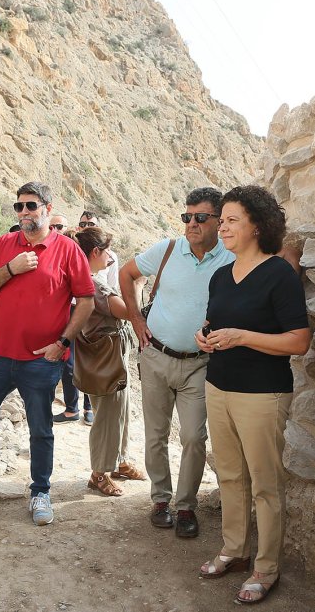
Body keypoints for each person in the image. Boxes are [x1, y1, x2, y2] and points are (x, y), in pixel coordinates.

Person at [0, 182, 94, 526]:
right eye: (19, 206)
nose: (24, 212)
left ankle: (40, 491)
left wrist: (64, 343)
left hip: (41, 360)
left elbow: (86, 300)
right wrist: (11, 268)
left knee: (40, 429)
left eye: (31, 206)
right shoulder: (3, 246)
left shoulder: (68, 250)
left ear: (47, 208)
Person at [193, 185, 310, 605]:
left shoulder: (279, 274)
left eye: (230, 220)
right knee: (229, 475)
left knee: (265, 484)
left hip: (262, 394)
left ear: (257, 226)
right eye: (220, 219)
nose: (221, 226)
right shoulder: (221, 274)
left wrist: (243, 337)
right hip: (218, 386)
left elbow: (298, 341)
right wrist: (204, 337)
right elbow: (214, 320)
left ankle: (266, 567)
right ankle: (234, 550)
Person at [119, 187, 235, 539]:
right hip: (155, 356)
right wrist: (137, 320)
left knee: (193, 437)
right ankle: (159, 500)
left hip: (200, 364)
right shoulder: (167, 249)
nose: (191, 224)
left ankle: (185, 506)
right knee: (155, 435)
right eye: (187, 217)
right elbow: (126, 274)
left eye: (201, 218)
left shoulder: (231, 257)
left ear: (218, 221)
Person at [72, 227, 145, 497]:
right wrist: (136, 285)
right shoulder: (96, 286)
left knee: (119, 411)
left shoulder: (83, 280)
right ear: (95, 252)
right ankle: (99, 472)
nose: (110, 260)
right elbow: (128, 312)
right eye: (107, 253)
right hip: (107, 357)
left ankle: (120, 462)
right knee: (108, 416)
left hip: (103, 356)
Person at [50, 212, 92, 425]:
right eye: (83, 223)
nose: (86, 226)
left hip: (90, 312)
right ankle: (72, 408)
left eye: (90, 224)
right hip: (70, 310)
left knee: (89, 360)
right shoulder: (64, 250)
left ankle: (88, 406)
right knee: (70, 360)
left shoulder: (101, 254)